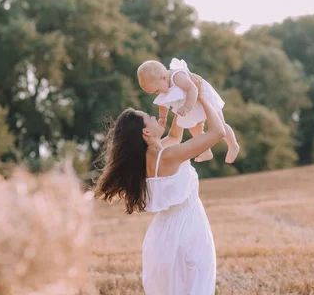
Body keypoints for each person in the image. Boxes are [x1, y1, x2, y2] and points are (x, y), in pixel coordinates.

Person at [94, 74, 225, 294]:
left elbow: (175, 134)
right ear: (146, 132)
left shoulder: (148, 159)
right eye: (150, 118)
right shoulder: (168, 156)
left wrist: (182, 102)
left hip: (161, 239)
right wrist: (201, 96)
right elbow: (218, 132)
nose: (156, 118)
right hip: (188, 232)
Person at [137, 58, 239, 163]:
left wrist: (186, 107)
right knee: (193, 128)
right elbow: (162, 103)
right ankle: (205, 151)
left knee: (220, 123)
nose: (157, 93)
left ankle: (233, 145)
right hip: (190, 104)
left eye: (157, 90)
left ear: (163, 77)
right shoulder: (162, 85)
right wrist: (163, 117)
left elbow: (193, 89)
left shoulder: (177, 77)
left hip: (201, 96)